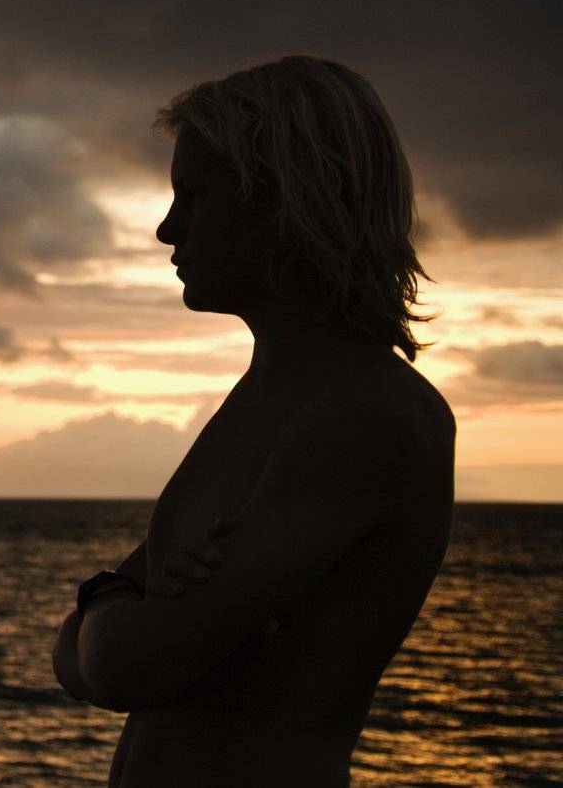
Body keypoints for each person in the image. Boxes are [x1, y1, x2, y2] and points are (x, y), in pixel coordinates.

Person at [50, 56, 457, 786]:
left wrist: (104, 597)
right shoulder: (272, 394)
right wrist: (113, 615)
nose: (166, 227)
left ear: (282, 202)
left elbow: (124, 664)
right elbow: (79, 661)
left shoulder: (365, 413)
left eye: (194, 196)